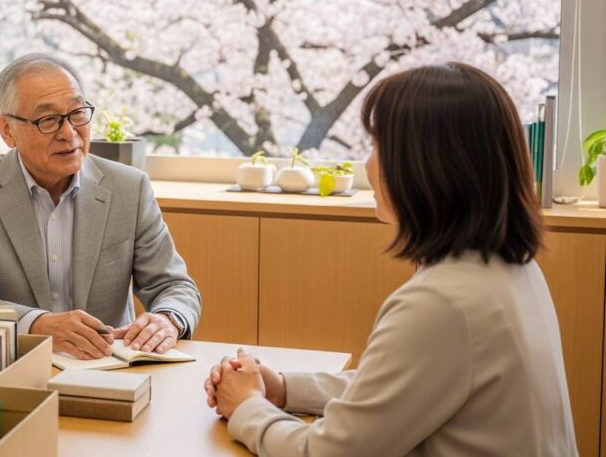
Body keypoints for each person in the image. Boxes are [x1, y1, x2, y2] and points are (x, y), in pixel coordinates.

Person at [204, 63, 577, 455]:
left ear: (428, 166)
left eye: (379, 147)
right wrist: (281, 387)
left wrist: (248, 406)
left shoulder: (442, 303)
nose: (368, 165)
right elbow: (394, 390)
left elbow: (328, 452)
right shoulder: (508, 269)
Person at [0, 53, 202, 360]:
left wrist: (168, 319)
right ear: (7, 130)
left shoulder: (129, 188)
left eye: (77, 113)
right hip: (18, 364)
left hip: (109, 365)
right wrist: (37, 324)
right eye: (48, 120)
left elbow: (175, 286)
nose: (69, 133)